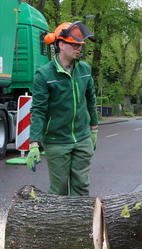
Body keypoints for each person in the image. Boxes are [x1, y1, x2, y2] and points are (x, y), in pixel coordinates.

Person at [26, 21, 99, 196]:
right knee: (58, 190)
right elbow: (38, 110)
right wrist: (34, 143)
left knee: (81, 186)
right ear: (61, 44)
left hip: (82, 138)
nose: (78, 48)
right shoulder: (44, 74)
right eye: (74, 44)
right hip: (57, 141)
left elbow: (90, 100)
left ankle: (80, 223)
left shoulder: (84, 70)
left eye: (80, 45)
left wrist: (94, 129)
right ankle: (58, 223)